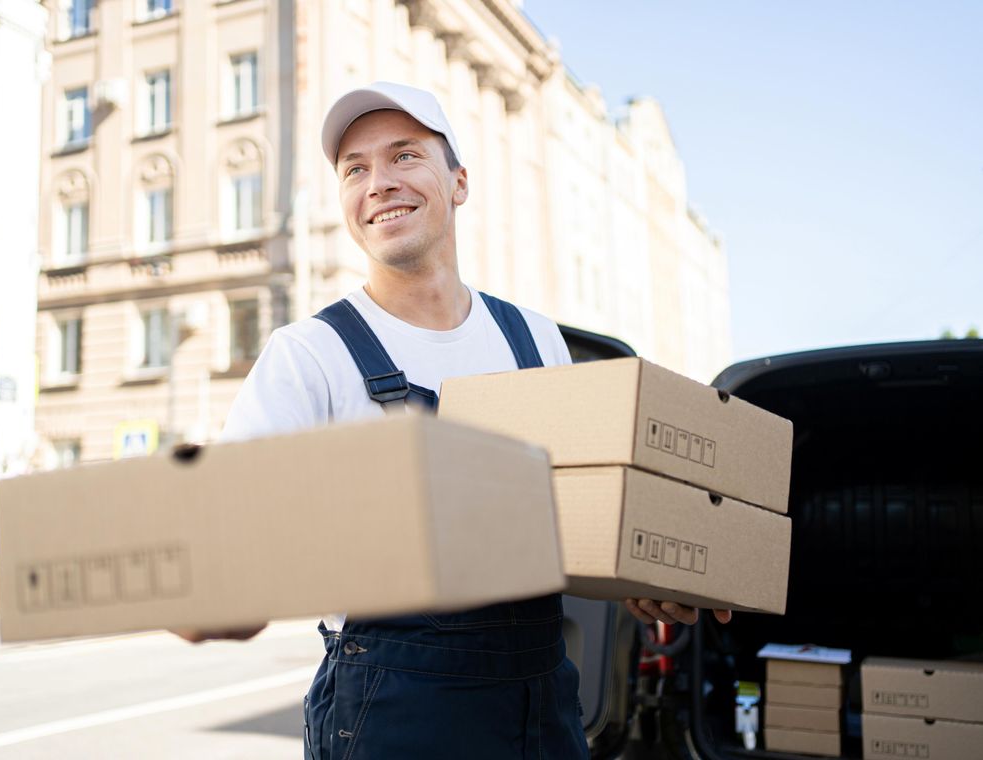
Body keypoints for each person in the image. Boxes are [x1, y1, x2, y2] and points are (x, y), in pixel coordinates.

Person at [176, 81, 728, 758]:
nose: (378, 182)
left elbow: (572, 514)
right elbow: (232, 539)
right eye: (355, 169)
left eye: (404, 156)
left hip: (541, 704)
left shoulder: (535, 339)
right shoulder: (309, 355)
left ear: (458, 182)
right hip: (396, 717)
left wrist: (639, 580)